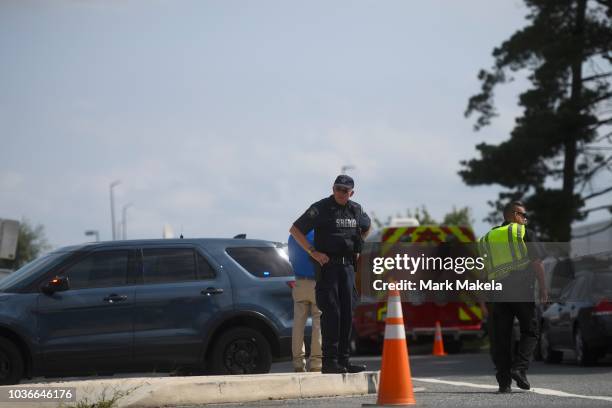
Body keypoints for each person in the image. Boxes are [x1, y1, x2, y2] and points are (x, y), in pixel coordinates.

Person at [289, 175, 371, 374]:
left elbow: (367, 226)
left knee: (346, 314)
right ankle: (330, 362)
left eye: (345, 190)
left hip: (348, 268)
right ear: (333, 188)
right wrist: (313, 252)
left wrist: (358, 247)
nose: (341, 193)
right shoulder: (321, 208)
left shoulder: (356, 209)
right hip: (329, 268)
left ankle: (344, 361)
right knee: (331, 314)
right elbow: (295, 230)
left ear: (352, 192)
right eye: (338, 189)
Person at [479, 201, 548, 393]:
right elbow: (537, 262)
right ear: (515, 214)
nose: (525, 219)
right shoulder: (522, 232)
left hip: (496, 293)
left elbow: (482, 273)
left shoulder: (486, 239)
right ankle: (519, 368)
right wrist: (543, 288)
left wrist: (482, 300)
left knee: (501, 337)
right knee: (531, 330)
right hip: (520, 288)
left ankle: (504, 383)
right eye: (524, 215)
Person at [288, 230, 322, 372]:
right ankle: (316, 364)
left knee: (298, 323)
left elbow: (291, 258)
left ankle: (298, 363)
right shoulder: (318, 234)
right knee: (318, 324)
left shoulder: (293, 236)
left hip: (299, 282)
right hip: (317, 283)